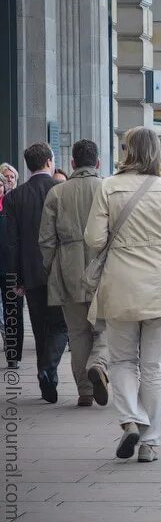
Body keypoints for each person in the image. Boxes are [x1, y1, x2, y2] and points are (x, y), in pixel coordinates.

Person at [84, 128, 161, 462]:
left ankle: (130, 420)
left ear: (128, 151)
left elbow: (93, 238)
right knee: (156, 367)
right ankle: (150, 442)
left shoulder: (109, 186)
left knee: (121, 360)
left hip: (120, 284)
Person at [38, 139, 109, 407]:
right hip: (103, 269)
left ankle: (85, 391)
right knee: (104, 328)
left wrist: (52, 267)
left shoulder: (57, 192)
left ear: (73, 163)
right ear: (98, 163)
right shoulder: (107, 189)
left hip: (68, 268)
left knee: (77, 333)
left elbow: (45, 240)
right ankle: (99, 365)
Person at [3, 142, 64, 402]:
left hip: (30, 272)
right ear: (49, 161)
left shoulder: (16, 197)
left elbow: (11, 241)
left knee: (40, 328)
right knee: (61, 325)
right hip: (59, 270)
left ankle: (46, 379)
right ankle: (48, 370)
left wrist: (15, 277)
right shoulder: (61, 190)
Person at [0, 162, 22, 370]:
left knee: (12, 311)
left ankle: (13, 354)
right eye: (5, 177)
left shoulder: (17, 202)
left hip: (11, 266)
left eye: (11, 177)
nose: (8, 180)